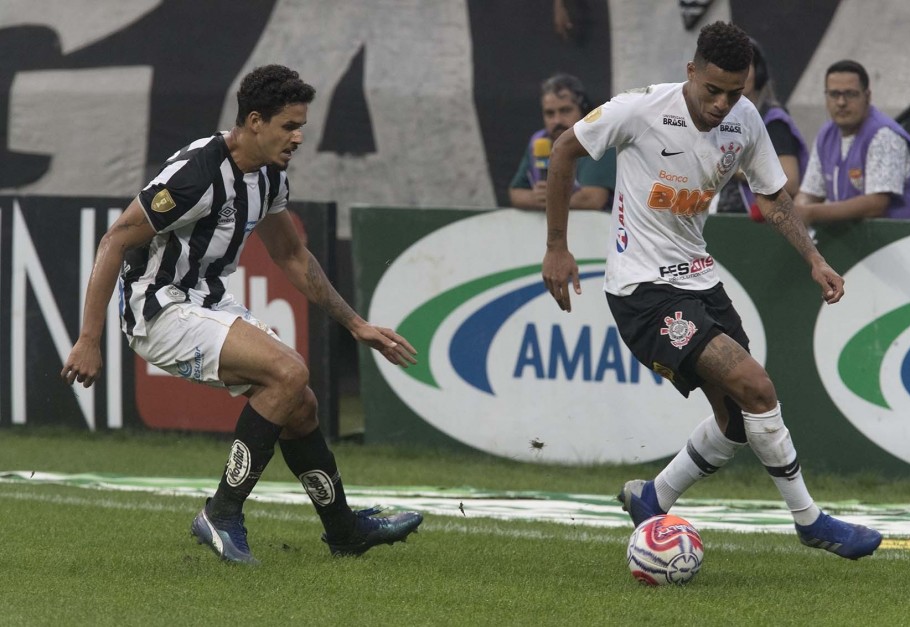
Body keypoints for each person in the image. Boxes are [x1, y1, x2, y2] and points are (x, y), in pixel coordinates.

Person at [541, 22, 882, 559]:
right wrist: (557, 247)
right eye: (713, 90)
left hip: (699, 279)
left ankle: (653, 497)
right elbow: (563, 151)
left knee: (738, 422)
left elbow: (773, 198)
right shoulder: (640, 109)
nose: (723, 104)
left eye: (735, 92)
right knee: (758, 388)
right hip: (642, 290)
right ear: (691, 72)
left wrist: (814, 259)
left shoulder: (745, 121)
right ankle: (810, 521)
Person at [61, 64, 423, 564]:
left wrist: (357, 325)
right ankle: (222, 511)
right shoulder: (195, 175)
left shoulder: (270, 175)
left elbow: (292, 256)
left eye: (301, 126)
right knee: (287, 371)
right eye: (289, 126)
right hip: (159, 308)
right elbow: (116, 239)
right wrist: (89, 338)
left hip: (207, 299)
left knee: (301, 403)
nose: (298, 137)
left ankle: (343, 531)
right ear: (255, 120)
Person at [795, 59, 910, 223]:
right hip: (868, 243)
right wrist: (801, 207)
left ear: (867, 96)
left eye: (850, 94)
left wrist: (811, 213)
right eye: (834, 94)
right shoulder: (825, 135)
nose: (841, 102)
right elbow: (810, 192)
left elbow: (876, 204)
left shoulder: (884, 135)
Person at [714, 37, 808, 221]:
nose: (736, 75)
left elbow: (789, 183)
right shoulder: (722, 118)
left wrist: (732, 167)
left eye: (744, 67)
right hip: (724, 221)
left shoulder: (774, 121)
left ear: (759, 71)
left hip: (759, 225)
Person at [509, 73, 616, 212]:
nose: (557, 120)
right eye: (549, 113)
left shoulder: (598, 140)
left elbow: (592, 199)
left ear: (583, 110)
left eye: (565, 111)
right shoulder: (539, 142)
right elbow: (516, 194)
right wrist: (537, 197)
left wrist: (550, 196)